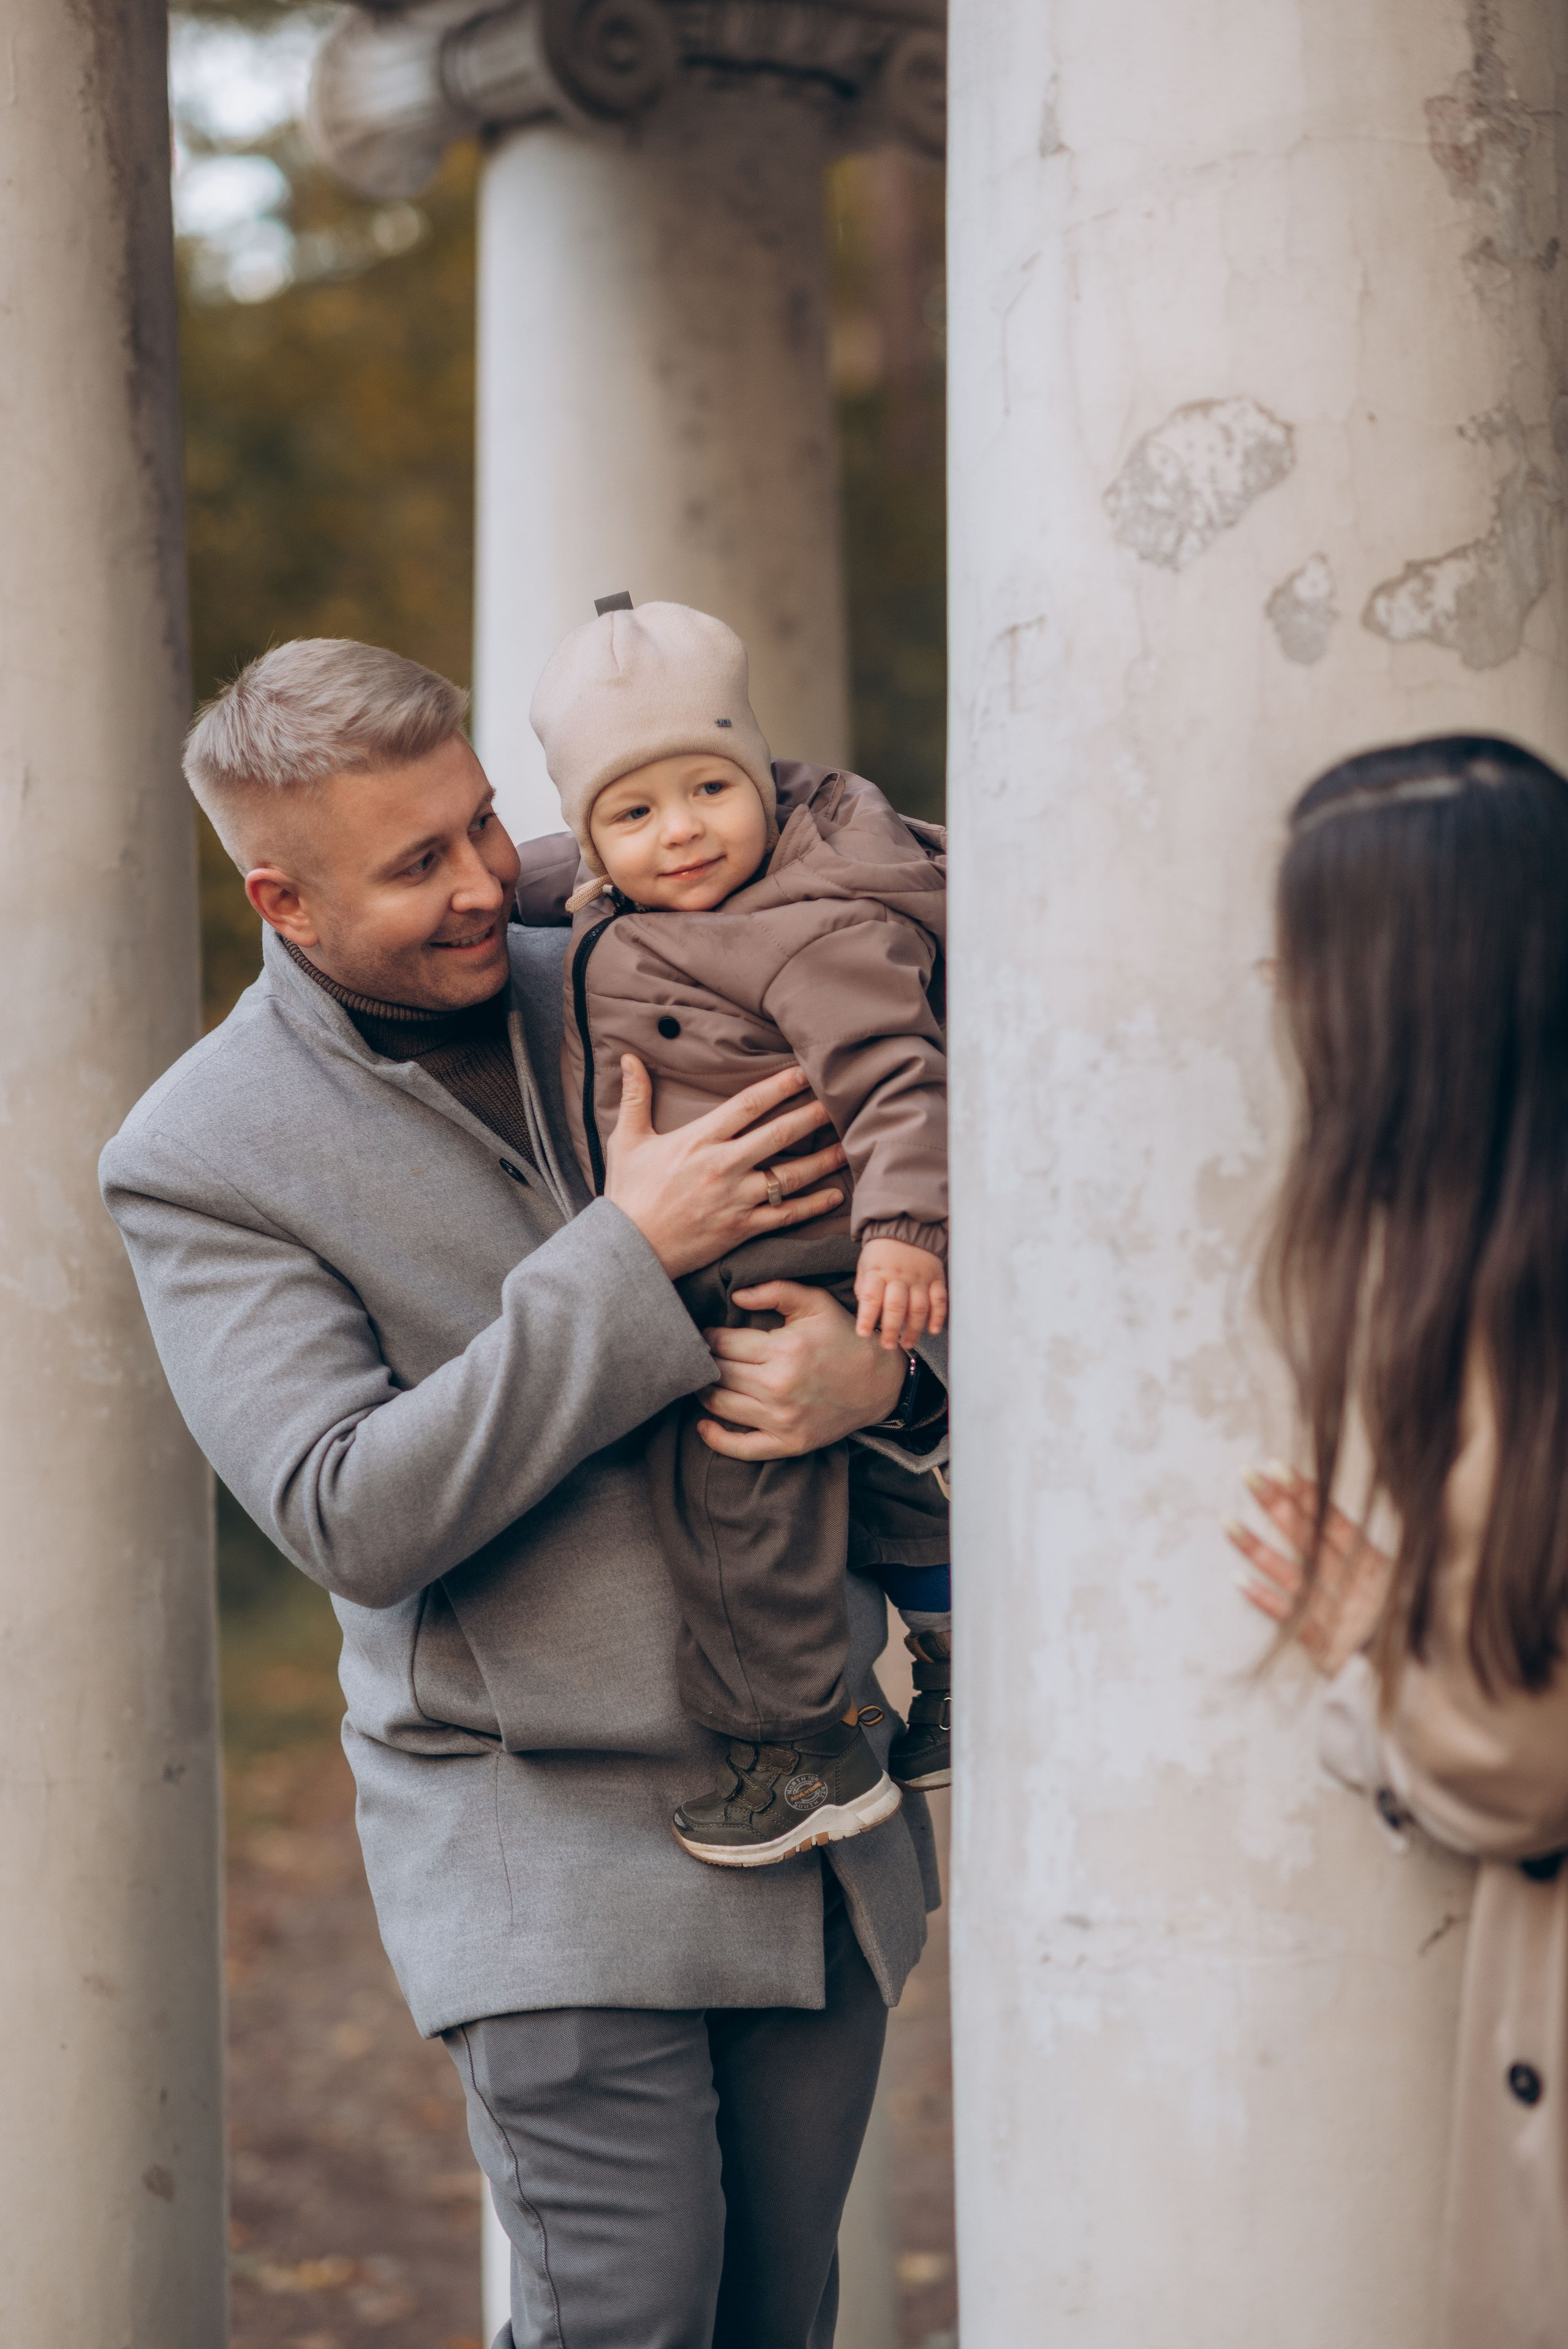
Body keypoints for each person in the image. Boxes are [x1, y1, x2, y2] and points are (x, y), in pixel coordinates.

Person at [99, 636, 946, 2349]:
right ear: (283, 901)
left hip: (811, 1806)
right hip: (537, 1840)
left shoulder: (653, 950)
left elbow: (917, 1220)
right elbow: (347, 1508)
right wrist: (627, 1256)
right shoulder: (200, 1153)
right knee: (624, 2316)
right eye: (417, 862)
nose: (490, 878)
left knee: (777, 2319)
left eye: (484, 820)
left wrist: (891, 1383)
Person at [1226, 733, 1568, 2349]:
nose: (1285, 997)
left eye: (1307, 958)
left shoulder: (1512, 1314)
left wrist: (1383, 1645)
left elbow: (1518, 1759)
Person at [518, 598, 952, 1868]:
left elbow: (895, 1077)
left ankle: (800, 1747)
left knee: (732, 1502)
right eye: (633, 812)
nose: (681, 831)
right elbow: (540, 870)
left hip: (783, 1251)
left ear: (759, 779)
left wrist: (906, 1229)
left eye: (710, 788)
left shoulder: (809, 925)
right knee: (876, 1469)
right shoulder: (636, 886)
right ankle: (958, 1646)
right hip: (771, 1244)